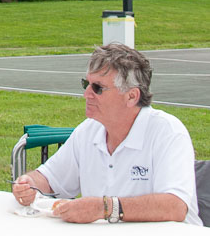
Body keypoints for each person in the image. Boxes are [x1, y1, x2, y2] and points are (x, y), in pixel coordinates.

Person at [12, 43, 202, 226]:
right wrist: (29, 184)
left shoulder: (168, 133)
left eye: (98, 88)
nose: (86, 94)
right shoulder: (89, 131)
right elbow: (49, 178)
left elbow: (175, 206)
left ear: (131, 96)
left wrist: (105, 208)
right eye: (86, 83)